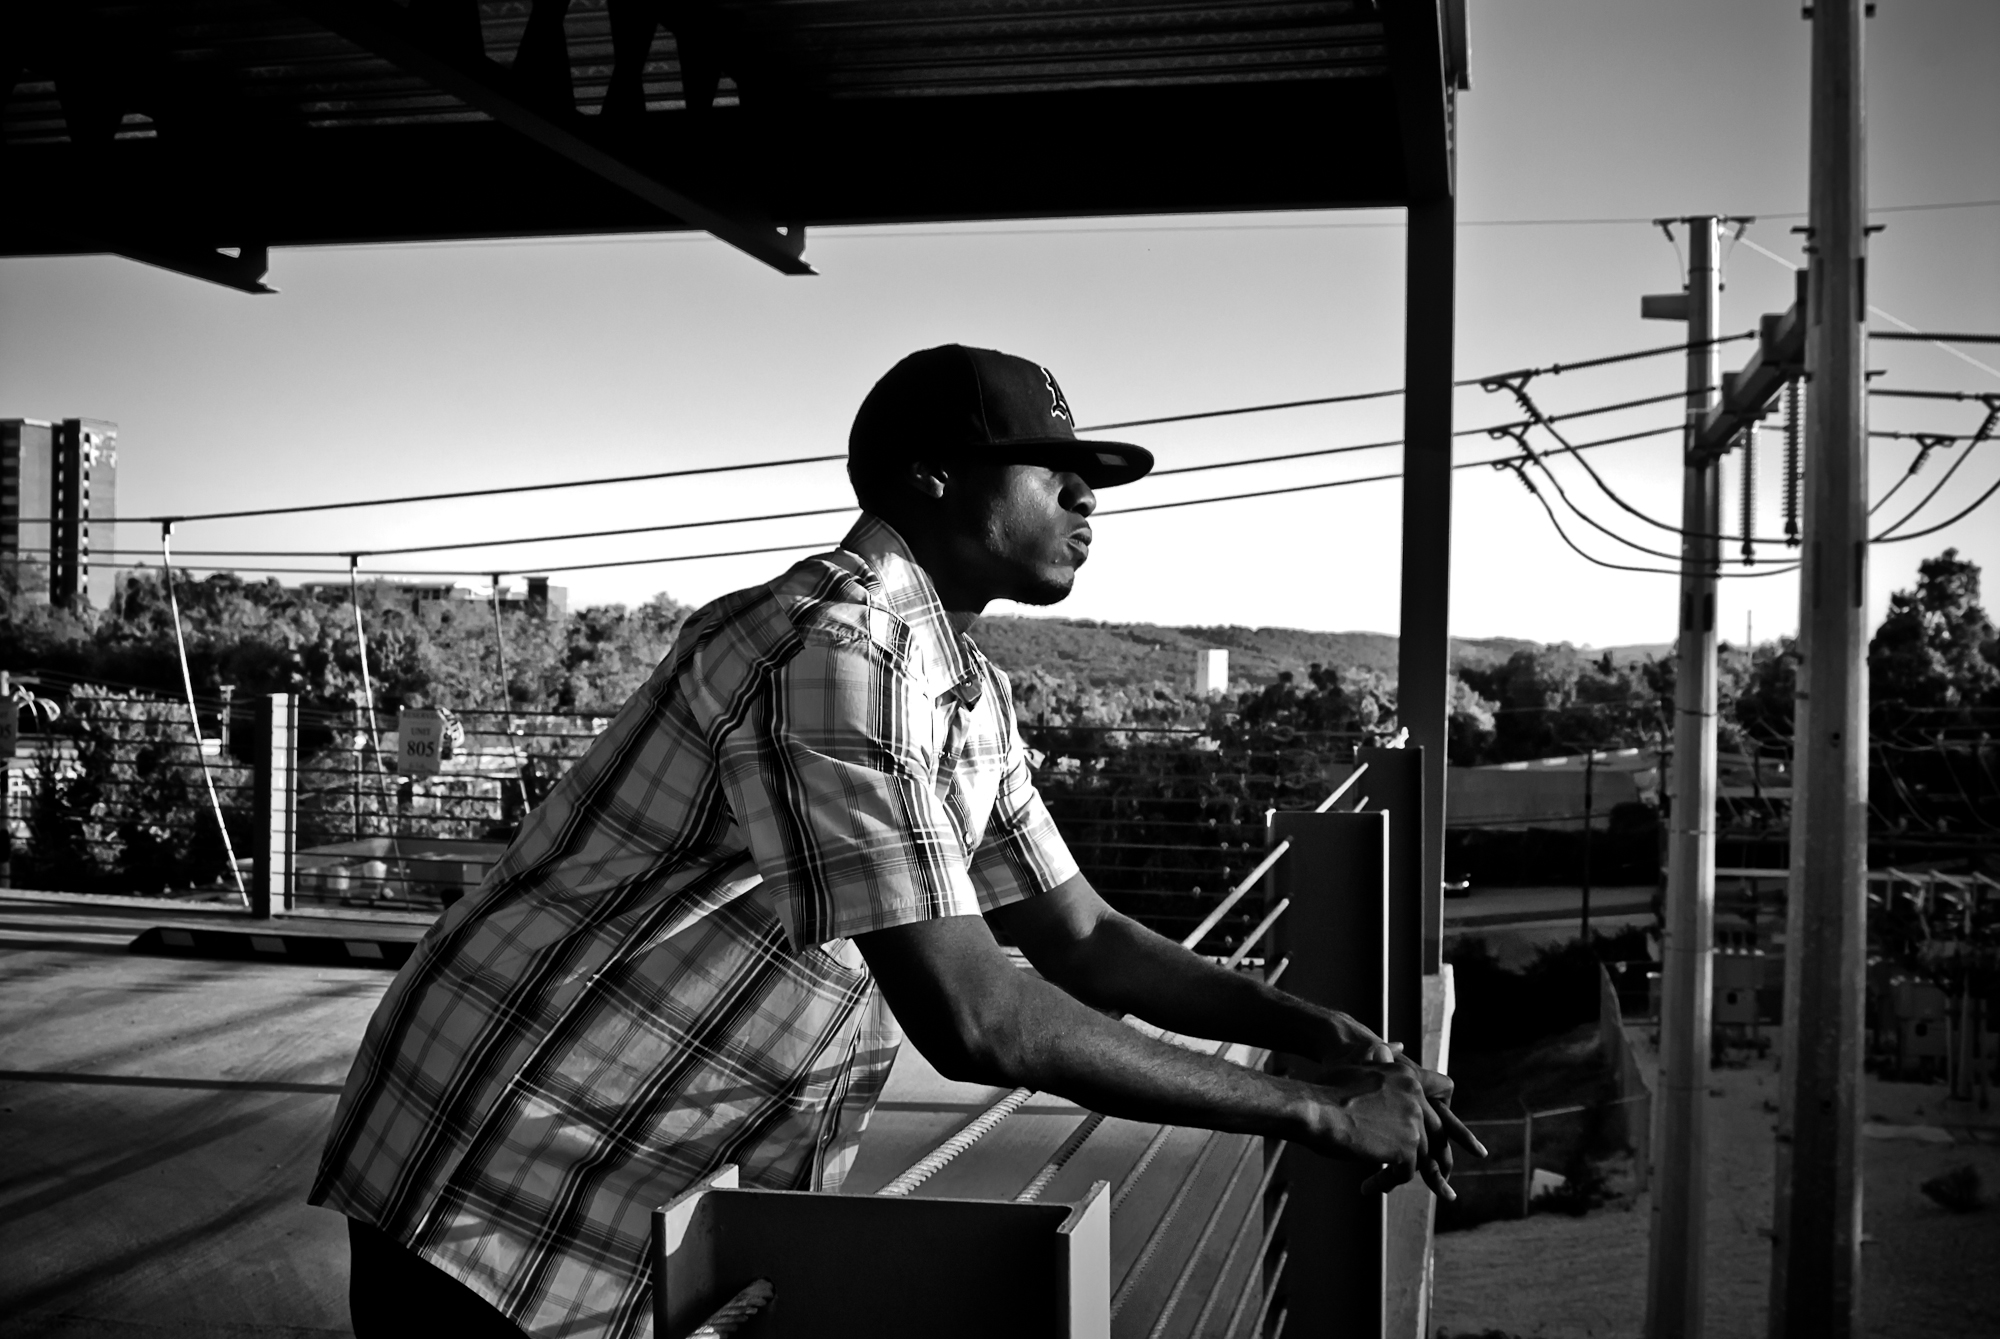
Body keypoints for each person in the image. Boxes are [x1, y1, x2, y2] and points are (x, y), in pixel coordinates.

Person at [310, 344, 1480, 1339]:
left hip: (643, 1168)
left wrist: (1314, 1035)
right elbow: (976, 1017)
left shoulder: (963, 686)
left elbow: (1081, 936)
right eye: (1051, 468)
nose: (1086, 496)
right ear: (931, 474)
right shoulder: (833, 649)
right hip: (505, 1164)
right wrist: (1311, 1112)